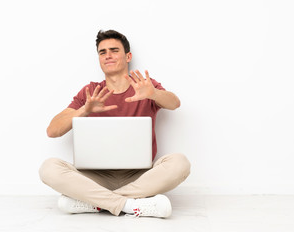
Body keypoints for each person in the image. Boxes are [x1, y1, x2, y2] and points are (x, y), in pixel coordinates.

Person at [39, 30, 191, 218]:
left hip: (140, 175)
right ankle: (130, 205)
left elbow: (174, 103)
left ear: (128, 56)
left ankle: (95, 202)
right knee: (49, 168)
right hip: (95, 177)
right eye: (102, 52)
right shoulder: (91, 91)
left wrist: (154, 94)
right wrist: (83, 110)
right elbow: (53, 131)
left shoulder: (144, 85)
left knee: (180, 163)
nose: (108, 55)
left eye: (114, 50)